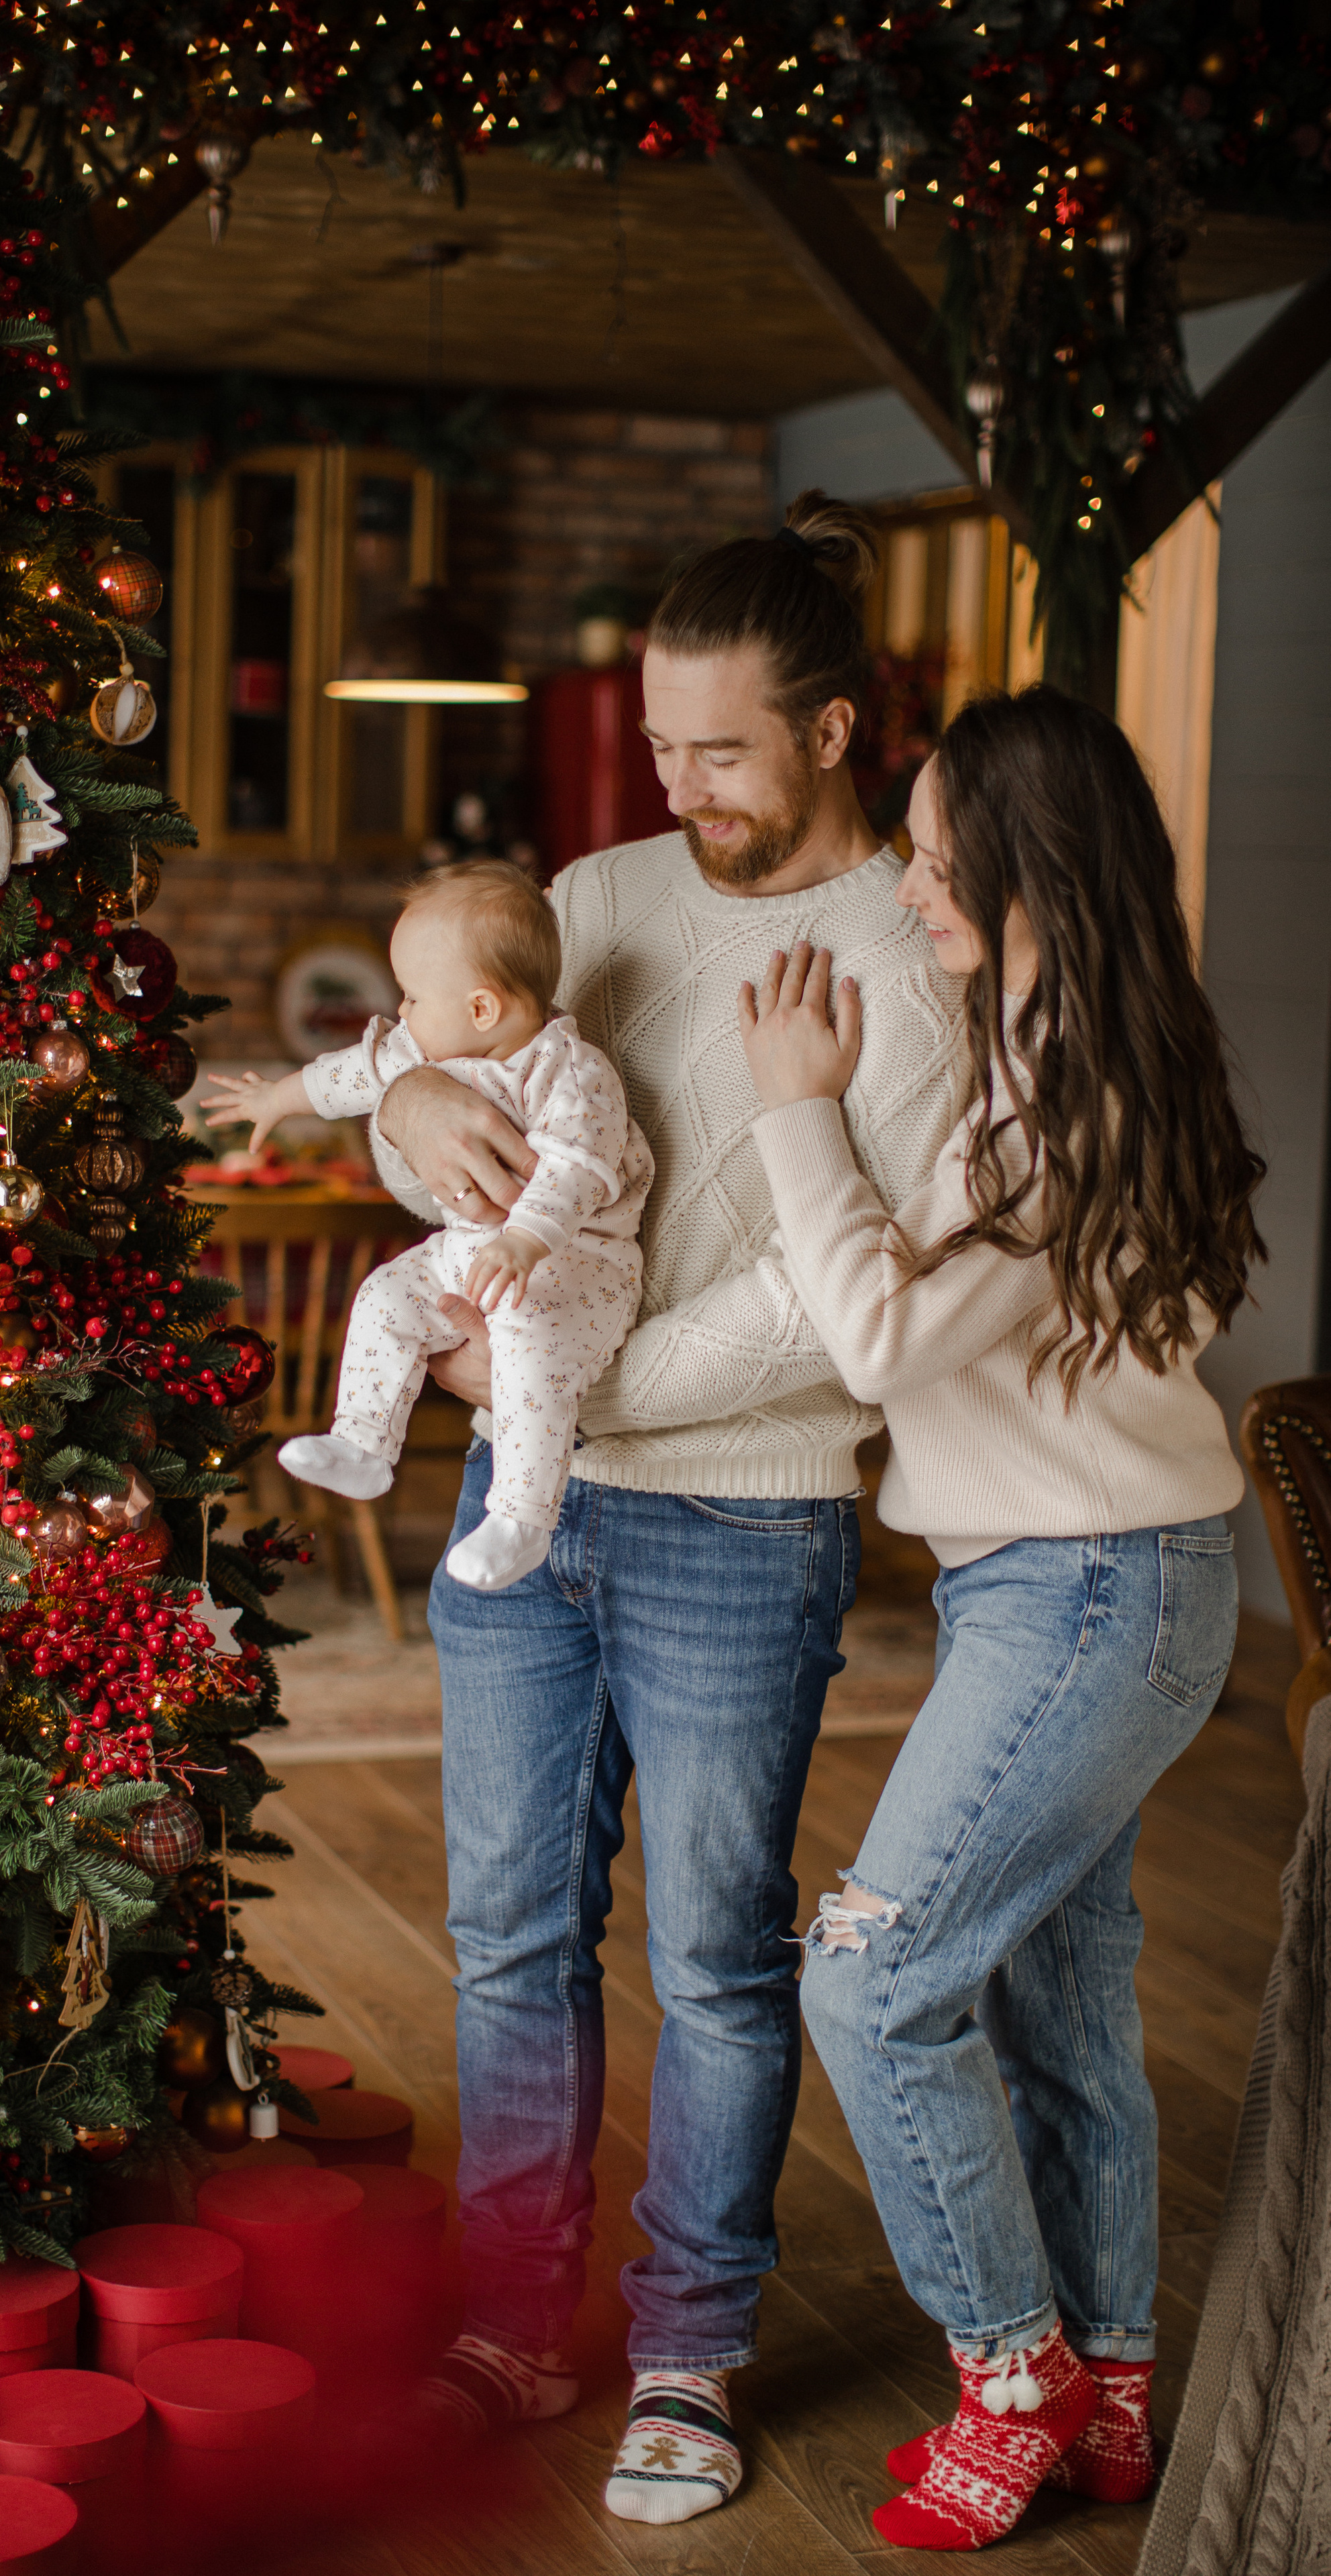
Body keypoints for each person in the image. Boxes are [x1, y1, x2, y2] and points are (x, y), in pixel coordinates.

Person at [368, 494, 970, 2524]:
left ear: (832, 728)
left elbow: (830, 1296)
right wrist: (399, 1110)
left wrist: (532, 1372)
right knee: (502, 1932)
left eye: (719, 748)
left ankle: (690, 2350)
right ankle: (512, 2319)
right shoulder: (599, 886)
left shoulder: (916, 944)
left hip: (744, 1516)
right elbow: (455, 1057)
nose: (673, 783)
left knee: (715, 1954)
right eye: (658, 739)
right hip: (516, 1511)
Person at [742, 684, 1264, 2553]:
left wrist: (797, 1117)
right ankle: (1113, 2389)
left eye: (938, 849)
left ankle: (1016, 2368)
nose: (910, 876)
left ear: (1033, 858)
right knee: (1054, 1999)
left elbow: (883, 1338)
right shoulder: (1066, 1045)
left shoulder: (1066, 1087)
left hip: (1088, 1592)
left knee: (870, 1981)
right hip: (1077, 1580)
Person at [200, 861, 651, 1591]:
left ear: (480, 1008)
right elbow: (357, 1070)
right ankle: (365, 1443)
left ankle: (521, 1519)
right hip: (471, 1250)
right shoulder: (431, 1049)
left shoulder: (572, 1073)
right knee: (384, 1296)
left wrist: (525, 1240)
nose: (401, 1013)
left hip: (573, 1265)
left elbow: (579, 1170)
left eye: (411, 996)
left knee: (529, 1357)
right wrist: (276, 1099)